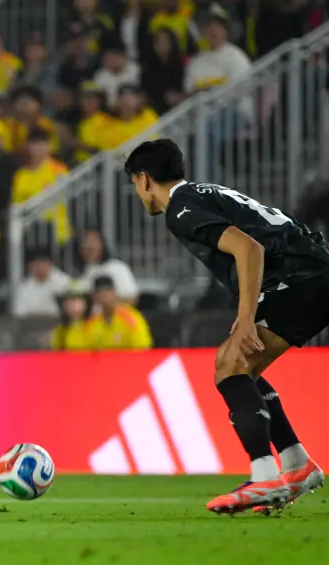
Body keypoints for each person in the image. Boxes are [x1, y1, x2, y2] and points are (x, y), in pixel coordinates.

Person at [124, 138, 325, 514]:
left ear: (145, 179)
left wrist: (248, 315)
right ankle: (297, 465)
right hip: (308, 274)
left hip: (303, 279)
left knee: (230, 366)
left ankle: (264, 477)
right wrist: (251, 306)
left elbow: (250, 249)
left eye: (135, 183)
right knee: (238, 363)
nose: (138, 193)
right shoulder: (203, 193)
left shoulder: (181, 208)